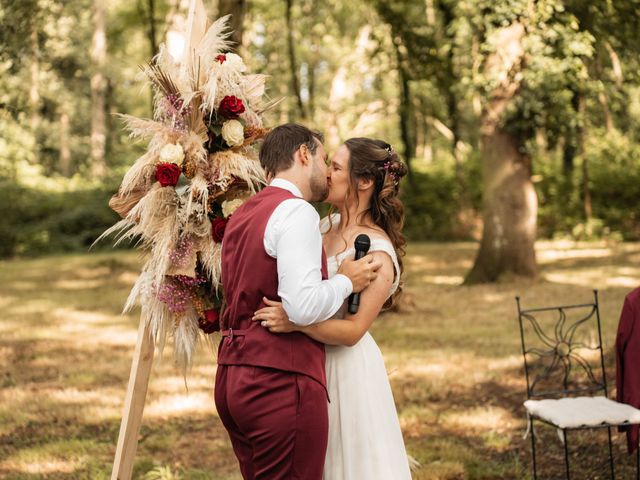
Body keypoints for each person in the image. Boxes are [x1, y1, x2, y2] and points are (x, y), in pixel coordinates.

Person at [214, 124, 383, 480]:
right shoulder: (296, 212)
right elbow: (301, 306)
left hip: (231, 378)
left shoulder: (242, 215)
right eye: (324, 159)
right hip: (278, 381)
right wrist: (344, 281)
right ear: (304, 155)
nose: (326, 171)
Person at [253, 137, 413, 479]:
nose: (326, 173)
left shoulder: (378, 253)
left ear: (365, 181)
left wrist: (296, 322)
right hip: (303, 365)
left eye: (336, 167)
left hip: (345, 370)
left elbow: (353, 331)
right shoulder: (320, 226)